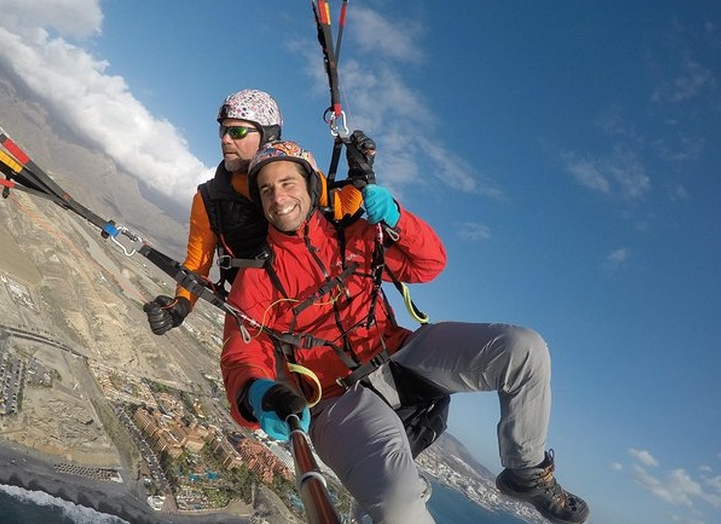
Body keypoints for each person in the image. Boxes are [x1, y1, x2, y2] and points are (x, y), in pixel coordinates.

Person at [219, 140, 590, 524]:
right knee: (401, 509)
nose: (278, 197)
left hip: (400, 356)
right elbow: (241, 356)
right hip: (336, 400)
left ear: (311, 187)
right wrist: (256, 392)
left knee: (524, 350)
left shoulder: (355, 236)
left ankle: (526, 472)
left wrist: (396, 217)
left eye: (288, 183)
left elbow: (429, 264)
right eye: (267, 190)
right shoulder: (257, 277)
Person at [143, 89, 363, 336]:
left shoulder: (298, 177)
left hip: (321, 309)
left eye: (236, 131)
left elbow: (340, 211)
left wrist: (360, 177)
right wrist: (180, 305)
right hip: (261, 321)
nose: (225, 140)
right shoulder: (209, 199)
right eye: (223, 131)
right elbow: (197, 263)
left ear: (266, 135)